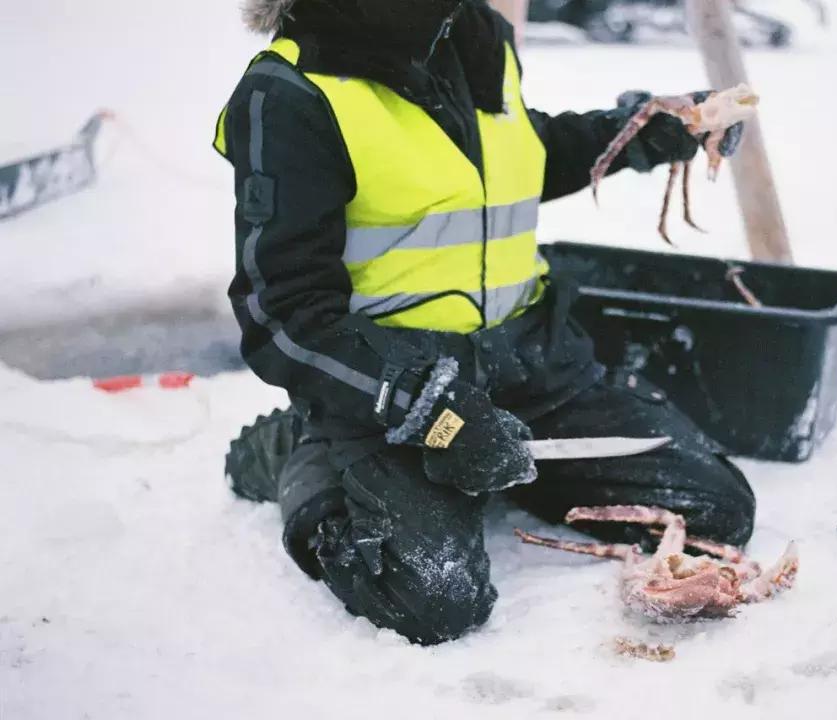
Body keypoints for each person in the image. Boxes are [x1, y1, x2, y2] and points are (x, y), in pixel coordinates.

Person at [216, 0, 755, 646]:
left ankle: (498, 462)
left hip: (531, 363)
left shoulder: (472, 34)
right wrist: (423, 405)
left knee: (714, 508)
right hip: (392, 395)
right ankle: (305, 460)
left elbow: (516, 156)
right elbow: (282, 316)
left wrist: (634, 136)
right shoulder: (289, 93)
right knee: (433, 597)